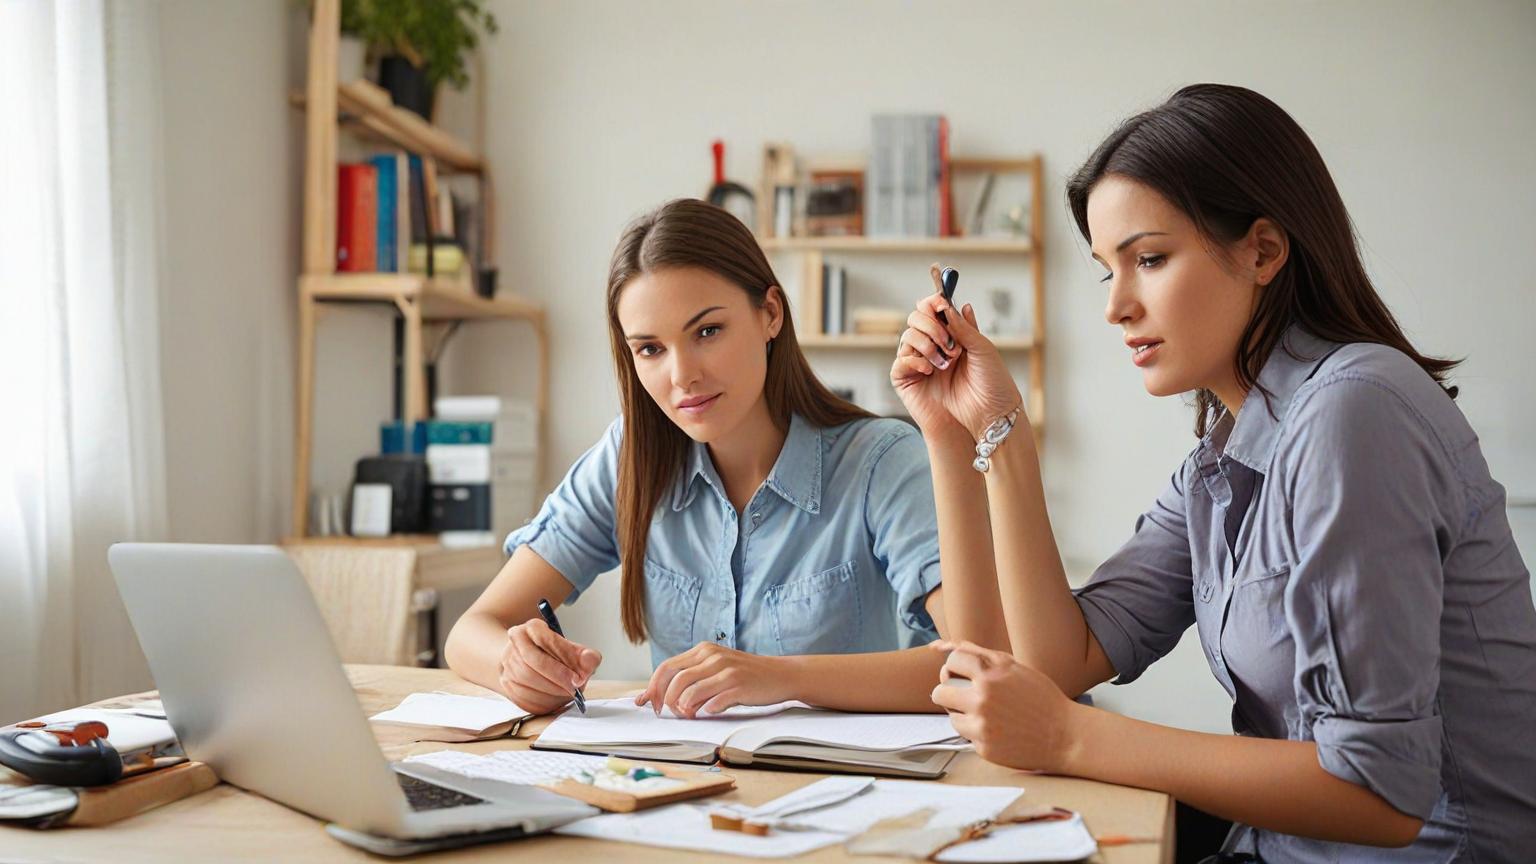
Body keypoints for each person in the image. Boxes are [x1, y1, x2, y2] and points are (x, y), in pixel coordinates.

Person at [893, 84, 1536, 862]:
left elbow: (1379, 790)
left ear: (1263, 251)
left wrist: (1071, 736)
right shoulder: (1222, 459)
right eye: (1106, 272)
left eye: (1149, 259)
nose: (1116, 307)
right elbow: (1058, 661)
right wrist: (989, 430)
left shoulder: (1353, 411)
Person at [446, 198, 959, 720]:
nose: (682, 376)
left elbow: (974, 665)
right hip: (672, 769)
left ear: (770, 314)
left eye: (707, 332)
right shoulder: (630, 457)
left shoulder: (881, 461)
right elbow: (470, 632)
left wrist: (782, 678)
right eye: (650, 349)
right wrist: (517, 666)